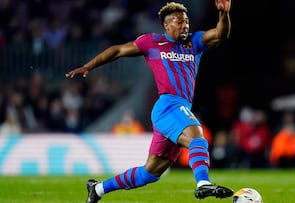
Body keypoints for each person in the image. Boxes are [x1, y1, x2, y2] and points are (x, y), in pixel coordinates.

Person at [65, 1, 233, 202]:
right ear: (166, 25)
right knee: (197, 137)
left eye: (186, 21)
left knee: (150, 173)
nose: (185, 26)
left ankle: (98, 189)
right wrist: (88, 66)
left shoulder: (195, 42)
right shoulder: (151, 42)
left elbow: (220, 34)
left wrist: (223, 14)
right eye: (179, 22)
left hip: (179, 108)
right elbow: (118, 51)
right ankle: (203, 183)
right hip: (168, 105)